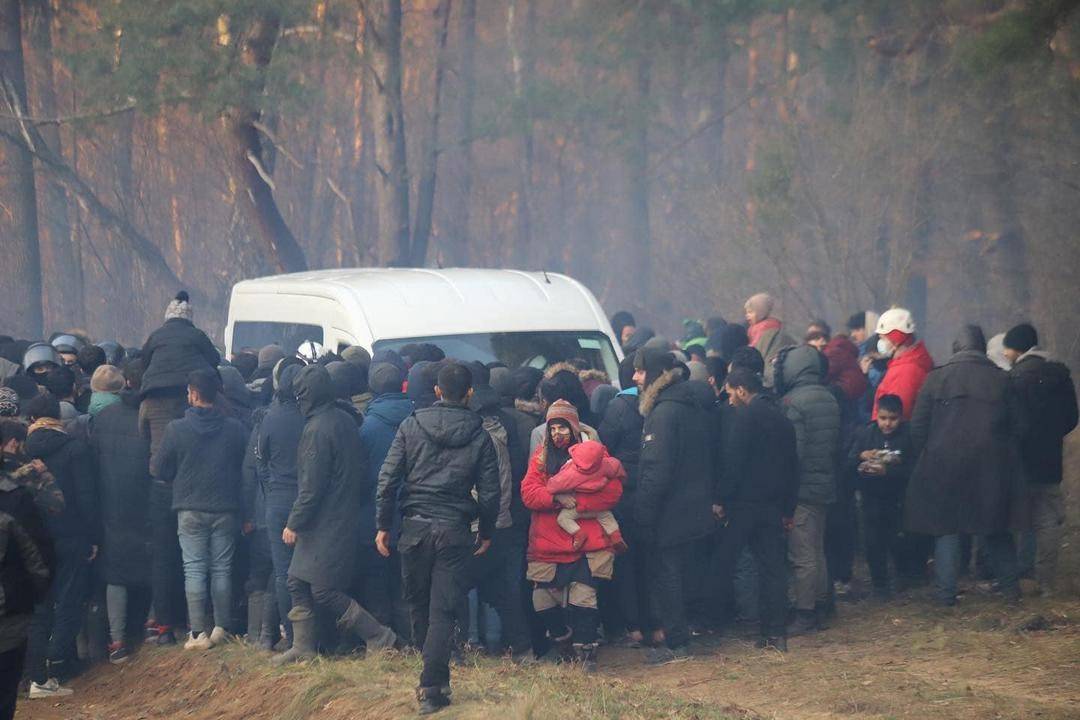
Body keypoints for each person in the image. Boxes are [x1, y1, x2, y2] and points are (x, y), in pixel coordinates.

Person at [376, 363, 500, 715]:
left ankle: (430, 675)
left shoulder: (410, 426)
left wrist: (384, 525)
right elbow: (491, 494)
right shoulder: (480, 436)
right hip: (455, 531)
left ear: (436, 391)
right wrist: (486, 532)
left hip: (414, 528)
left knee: (418, 604)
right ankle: (433, 684)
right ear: (470, 393)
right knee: (443, 610)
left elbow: (387, 481)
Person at [274, 365, 396, 666]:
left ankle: (380, 636)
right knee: (297, 581)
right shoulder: (344, 419)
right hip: (343, 515)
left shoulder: (317, 429)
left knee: (323, 589)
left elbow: (312, 485)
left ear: (305, 395)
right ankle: (303, 647)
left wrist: (294, 522)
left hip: (324, 521)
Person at [905, 325, 1027, 606]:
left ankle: (945, 596)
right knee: (996, 525)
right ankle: (1010, 591)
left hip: (944, 463)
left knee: (946, 528)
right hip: (992, 465)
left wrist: (929, 453)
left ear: (956, 348)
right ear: (983, 348)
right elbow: (1020, 426)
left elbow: (918, 427)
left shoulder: (935, 379)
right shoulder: (1002, 380)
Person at [139, 291, 220, 644]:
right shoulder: (197, 337)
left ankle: (165, 624)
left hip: (161, 480)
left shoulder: (155, 339)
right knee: (202, 556)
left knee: (164, 553)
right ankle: (203, 622)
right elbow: (215, 361)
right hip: (198, 483)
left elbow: (142, 364)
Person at [152, 369, 247, 650]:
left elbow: (159, 468)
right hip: (225, 507)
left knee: (194, 569)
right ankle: (221, 627)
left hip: (190, 506)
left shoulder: (176, 428)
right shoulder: (234, 429)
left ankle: (197, 633)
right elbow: (244, 466)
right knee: (222, 569)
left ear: (193, 394)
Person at [633, 348, 715, 664]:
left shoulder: (664, 413)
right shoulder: (689, 404)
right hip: (693, 507)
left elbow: (656, 469)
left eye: (640, 371)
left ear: (653, 374)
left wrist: (644, 513)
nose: (635, 377)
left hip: (670, 512)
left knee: (667, 578)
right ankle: (684, 635)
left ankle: (677, 643)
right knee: (684, 575)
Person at [712, 368, 797, 650]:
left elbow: (734, 464)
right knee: (773, 568)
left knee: (725, 561)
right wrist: (788, 508)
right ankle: (776, 633)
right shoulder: (782, 418)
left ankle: (712, 621)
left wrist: (722, 499)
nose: (729, 399)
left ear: (741, 389)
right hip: (773, 505)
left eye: (730, 392)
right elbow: (792, 468)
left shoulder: (745, 419)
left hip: (744, 506)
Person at [22, 392, 98, 695]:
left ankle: (35, 670)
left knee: (40, 606)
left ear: (31, 420)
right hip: (72, 536)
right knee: (69, 600)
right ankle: (59, 661)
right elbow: (87, 498)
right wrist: (93, 537)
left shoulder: (21, 450)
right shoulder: (76, 449)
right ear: (59, 418)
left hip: (34, 539)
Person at [1002, 323, 1078, 595]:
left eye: (1007, 348)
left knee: (1021, 518)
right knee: (1048, 519)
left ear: (1016, 348)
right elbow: (1072, 417)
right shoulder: (1060, 375)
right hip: (1050, 458)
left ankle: (1023, 575)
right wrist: (1052, 435)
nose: (1005, 353)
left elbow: (1008, 421)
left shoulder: (1015, 378)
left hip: (1020, 459)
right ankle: (1046, 581)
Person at [774, 345, 840, 635]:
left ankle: (805, 612)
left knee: (802, 555)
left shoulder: (792, 403)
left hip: (801, 488)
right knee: (818, 549)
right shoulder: (829, 397)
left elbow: (792, 454)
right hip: (825, 483)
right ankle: (823, 603)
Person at [91, 360, 151, 664]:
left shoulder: (102, 418)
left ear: (126, 382)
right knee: (156, 562)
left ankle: (116, 642)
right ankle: (153, 630)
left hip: (110, 501)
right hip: (148, 500)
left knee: (115, 572)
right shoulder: (154, 415)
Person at [0, 418, 62, 711]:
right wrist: (46, 475)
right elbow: (55, 505)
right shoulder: (22, 482)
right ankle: (36, 677)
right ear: (13, 443)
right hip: (14, 592)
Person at [355, 363, 413, 642]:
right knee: (407, 584)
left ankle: (383, 642)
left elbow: (361, 477)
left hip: (372, 518)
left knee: (376, 583)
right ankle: (410, 639)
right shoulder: (418, 420)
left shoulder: (365, 428)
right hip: (413, 518)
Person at [597, 356, 649, 647]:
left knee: (626, 561)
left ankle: (633, 627)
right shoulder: (655, 403)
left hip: (623, 493)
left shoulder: (618, 407)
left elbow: (603, 447)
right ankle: (655, 623)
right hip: (653, 490)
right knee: (651, 560)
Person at [255, 361, 305, 651]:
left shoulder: (269, 419)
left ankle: (290, 633)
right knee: (308, 567)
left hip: (277, 499)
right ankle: (311, 632)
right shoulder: (309, 417)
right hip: (307, 499)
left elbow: (261, 463)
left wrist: (271, 490)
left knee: (283, 570)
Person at [846, 394, 912, 599]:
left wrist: (890, 471)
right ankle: (879, 584)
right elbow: (850, 461)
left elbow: (914, 467)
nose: (888, 424)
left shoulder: (908, 436)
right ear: (877, 416)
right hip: (871, 496)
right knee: (873, 542)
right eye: (883, 418)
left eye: (893, 419)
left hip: (898, 497)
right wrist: (861, 458)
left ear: (900, 417)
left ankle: (904, 577)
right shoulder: (867, 434)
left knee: (898, 540)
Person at [545, 441, 627, 552]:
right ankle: (616, 537)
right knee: (607, 516)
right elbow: (619, 470)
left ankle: (578, 533)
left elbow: (552, 486)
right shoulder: (607, 465)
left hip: (578, 506)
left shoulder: (572, 474)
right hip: (598, 507)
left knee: (563, 518)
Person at [871, 308, 933, 421]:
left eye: (882, 338)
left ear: (895, 339)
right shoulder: (907, 364)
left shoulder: (905, 370)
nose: (880, 343)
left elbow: (898, 415)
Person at [744, 293, 795, 388]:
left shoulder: (767, 327)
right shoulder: (753, 328)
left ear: (761, 312)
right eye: (746, 313)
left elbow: (759, 346)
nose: (747, 316)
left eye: (750, 312)